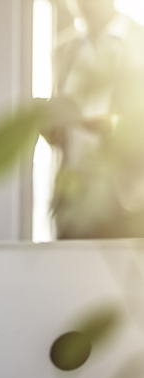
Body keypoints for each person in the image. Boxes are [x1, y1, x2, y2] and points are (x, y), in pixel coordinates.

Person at [49, 0, 144, 238]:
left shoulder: (139, 41)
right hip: (73, 197)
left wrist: (114, 128)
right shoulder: (64, 49)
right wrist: (54, 131)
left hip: (126, 200)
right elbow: (59, 112)